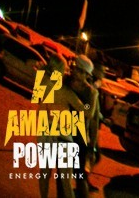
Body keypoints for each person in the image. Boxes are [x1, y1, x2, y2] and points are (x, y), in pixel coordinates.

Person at [37, 53, 86, 198]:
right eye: (64, 69)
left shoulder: (42, 81)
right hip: (62, 135)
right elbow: (85, 111)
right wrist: (92, 100)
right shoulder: (65, 91)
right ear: (58, 70)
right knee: (66, 180)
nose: (66, 72)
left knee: (45, 172)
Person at [69, 54, 101, 194]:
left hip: (79, 140)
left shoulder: (91, 93)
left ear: (86, 75)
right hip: (62, 136)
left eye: (80, 70)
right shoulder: (65, 82)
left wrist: (92, 147)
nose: (75, 72)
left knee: (80, 177)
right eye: (75, 68)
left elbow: (93, 119)